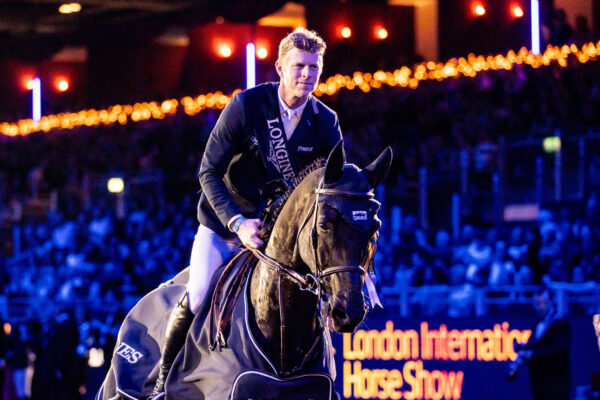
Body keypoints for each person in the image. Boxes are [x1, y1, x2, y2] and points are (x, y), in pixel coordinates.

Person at [149, 27, 343, 397]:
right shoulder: (247, 106)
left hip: (280, 236)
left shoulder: (326, 122)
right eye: (299, 66)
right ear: (280, 68)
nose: (307, 75)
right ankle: (163, 380)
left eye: (314, 68)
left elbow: (332, 190)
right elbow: (207, 171)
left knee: (317, 295)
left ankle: (324, 383)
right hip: (226, 225)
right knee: (201, 290)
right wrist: (237, 224)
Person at [510, 290, 572, 400]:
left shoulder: (561, 323)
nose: (538, 307)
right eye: (535, 303)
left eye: (541, 303)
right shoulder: (536, 323)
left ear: (550, 302)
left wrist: (533, 355)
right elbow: (535, 346)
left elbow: (559, 350)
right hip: (539, 386)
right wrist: (522, 349)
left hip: (556, 386)